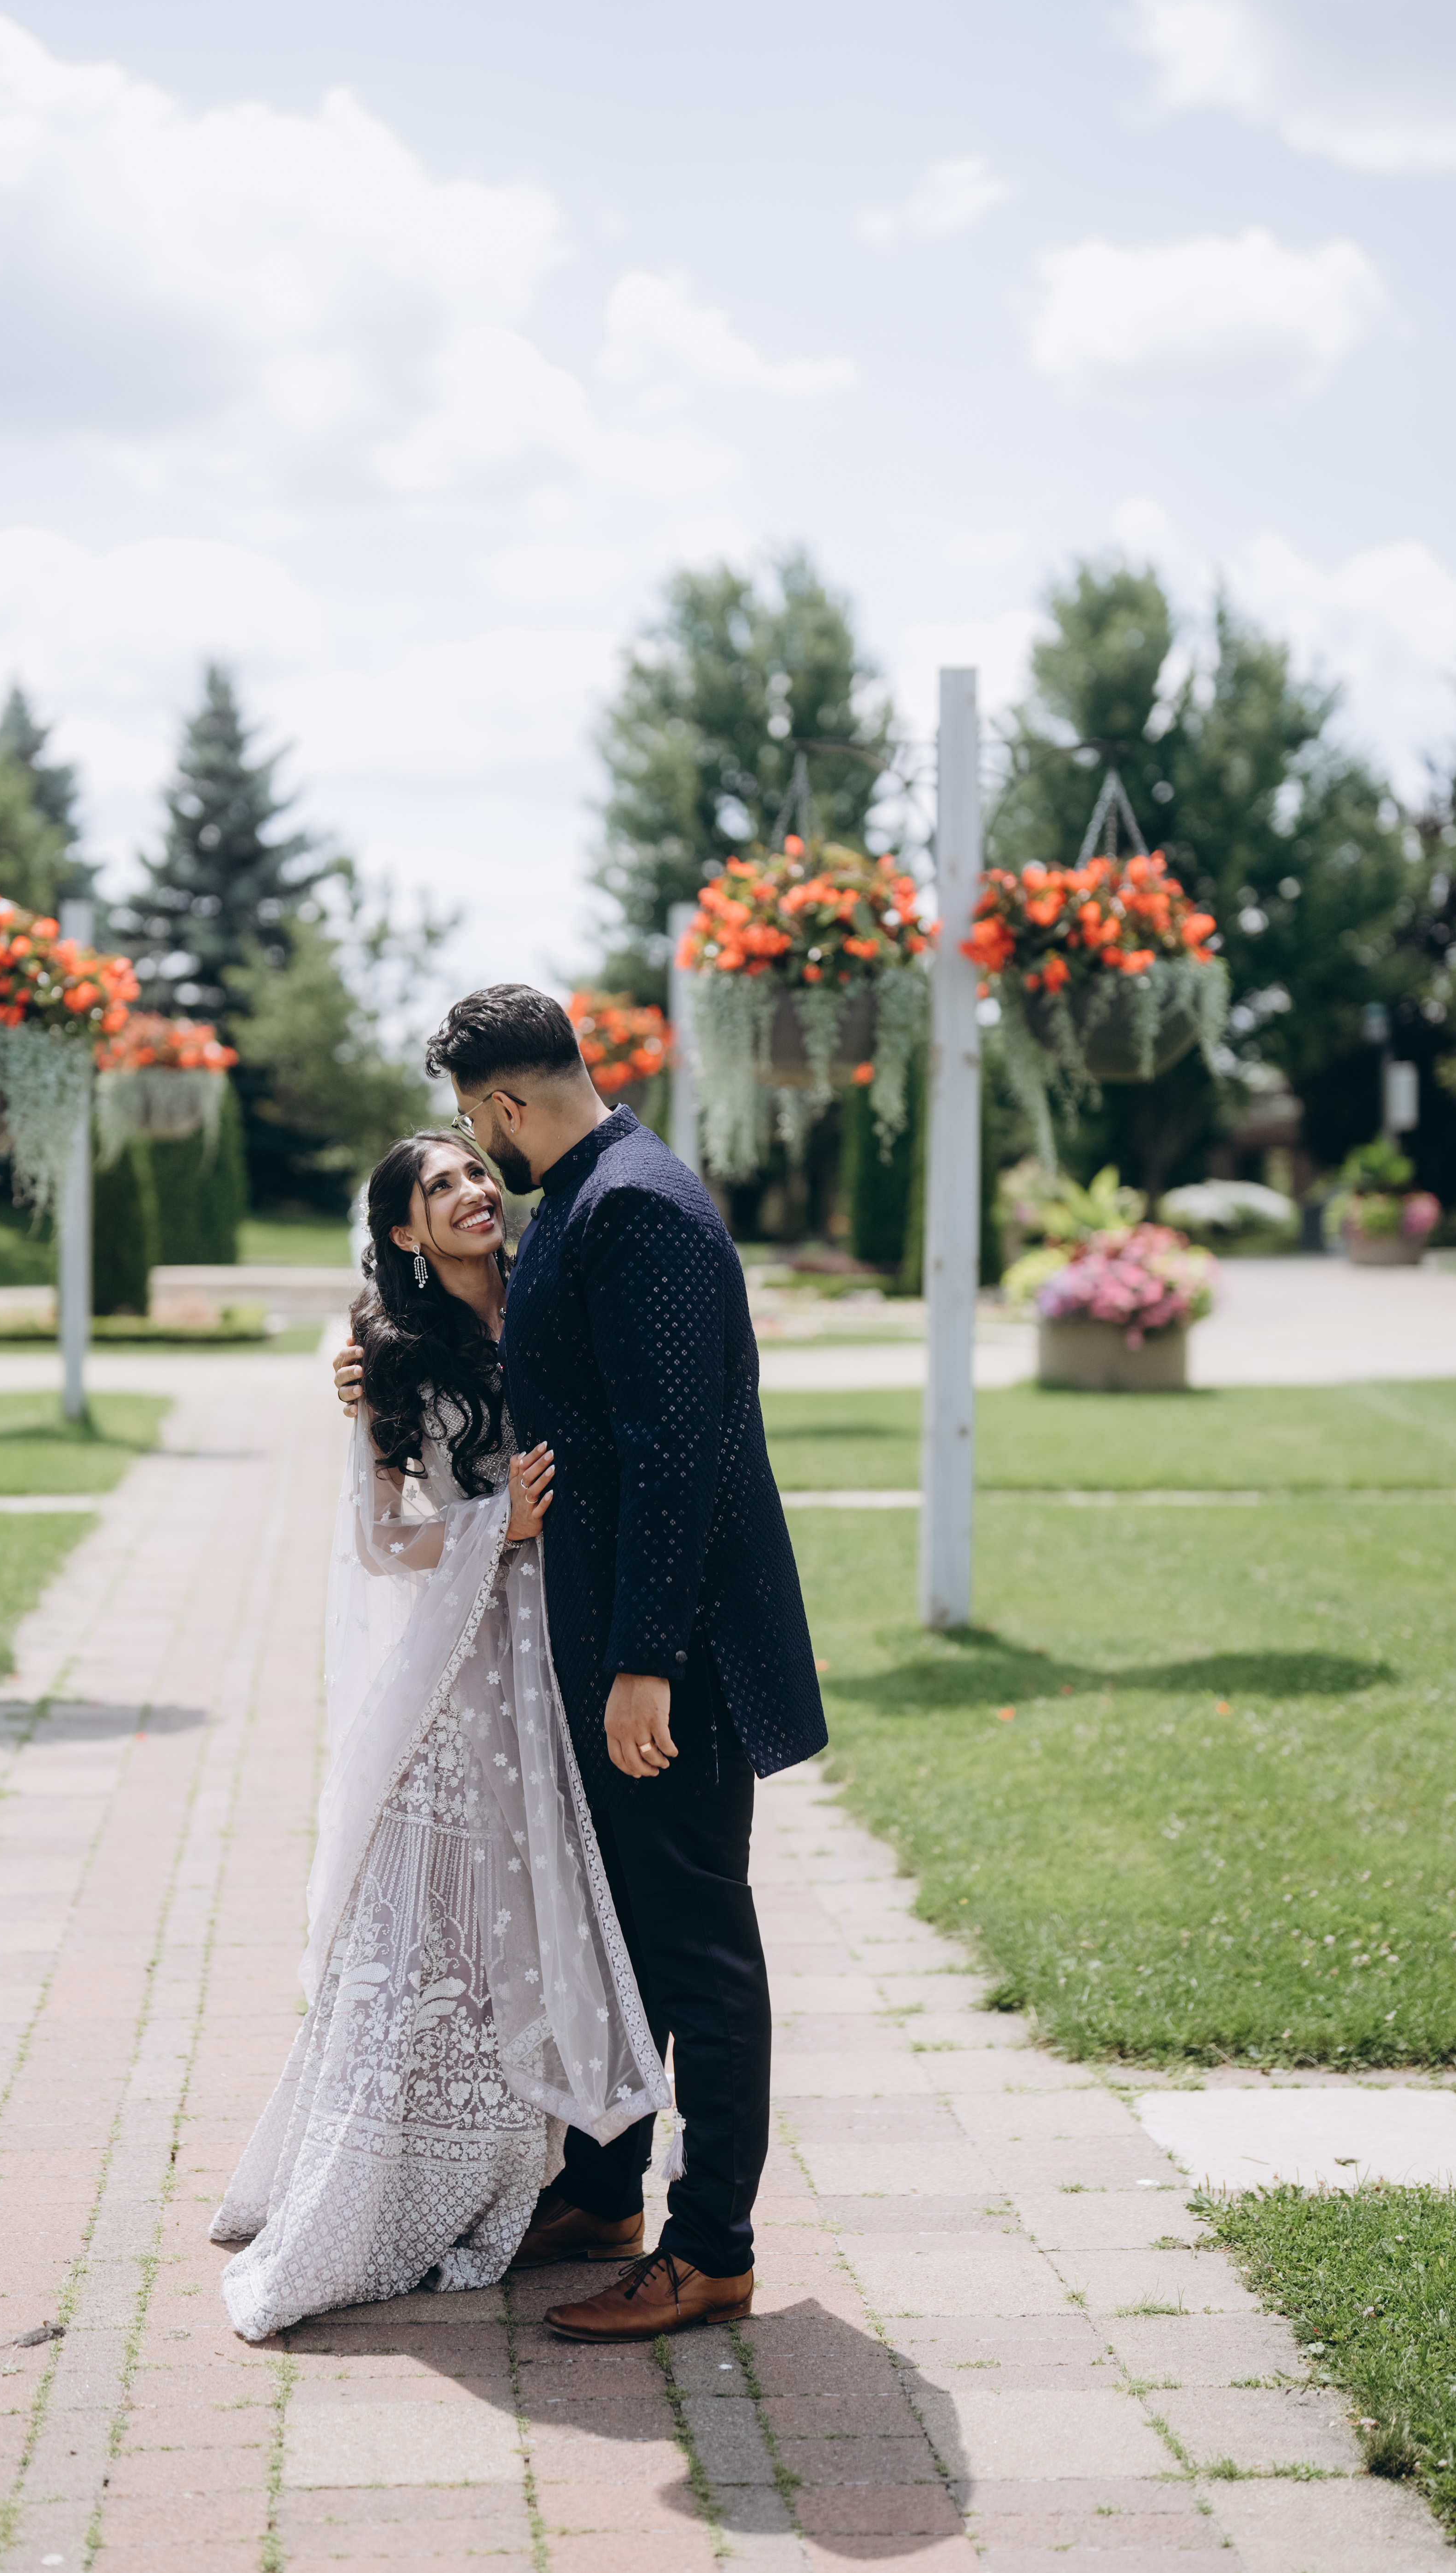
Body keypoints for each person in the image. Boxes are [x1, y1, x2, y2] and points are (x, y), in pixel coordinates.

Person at [335, 984, 827, 2344]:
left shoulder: (639, 1206)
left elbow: (677, 1456)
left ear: (499, 1103)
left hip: (671, 1654)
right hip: (605, 1642)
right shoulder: (583, 1196)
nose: (475, 1149)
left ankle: (711, 2246)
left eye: (469, 1120)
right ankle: (606, 2192)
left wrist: (644, 1661)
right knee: (628, 1929)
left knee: (698, 1943)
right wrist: (385, 1368)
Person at [210, 1131, 669, 2341]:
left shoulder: (553, 1291)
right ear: (404, 1231)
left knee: (564, 1897)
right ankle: (403, 2164)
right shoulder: (392, 1356)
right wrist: (491, 1526)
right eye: (441, 1185)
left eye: (475, 1170)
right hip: (469, 1653)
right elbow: (381, 1542)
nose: (473, 1190)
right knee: (440, 1910)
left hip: (577, 1642)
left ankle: (574, 2174)